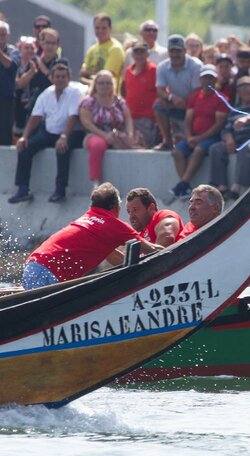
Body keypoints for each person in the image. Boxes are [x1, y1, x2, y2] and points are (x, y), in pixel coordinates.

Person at [22, 183, 160, 288]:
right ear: (115, 207)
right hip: (47, 273)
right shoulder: (114, 225)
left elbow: (114, 257)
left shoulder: (88, 218)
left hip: (33, 267)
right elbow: (152, 250)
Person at [9, 61, 86, 204]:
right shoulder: (46, 93)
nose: (60, 79)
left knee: (62, 148)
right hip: (51, 132)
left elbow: (73, 117)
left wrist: (63, 137)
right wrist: (24, 137)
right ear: (51, 78)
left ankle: (60, 190)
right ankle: (23, 188)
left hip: (71, 133)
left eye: (63, 76)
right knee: (25, 147)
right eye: (57, 76)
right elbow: (35, 117)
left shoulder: (74, 92)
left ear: (68, 78)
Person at [169, 65, 228, 201]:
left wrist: (199, 138)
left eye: (210, 78)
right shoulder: (194, 97)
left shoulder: (221, 98)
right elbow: (188, 119)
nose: (207, 81)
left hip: (211, 137)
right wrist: (189, 137)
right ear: (200, 80)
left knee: (199, 150)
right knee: (177, 152)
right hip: (194, 136)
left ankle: (182, 184)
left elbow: (218, 125)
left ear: (215, 80)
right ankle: (185, 185)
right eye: (205, 78)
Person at [209, 76, 250, 200]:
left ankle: (237, 187)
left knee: (245, 148)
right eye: (242, 87)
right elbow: (227, 129)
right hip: (237, 140)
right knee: (215, 148)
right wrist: (228, 139)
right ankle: (221, 186)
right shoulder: (234, 109)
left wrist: (246, 120)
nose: (245, 90)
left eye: (248, 86)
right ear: (238, 91)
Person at [80, 69, 140, 186]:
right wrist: (105, 136)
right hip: (95, 134)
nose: (105, 86)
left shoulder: (119, 101)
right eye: (101, 83)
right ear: (95, 85)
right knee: (98, 146)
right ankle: (95, 183)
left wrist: (130, 134)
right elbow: (86, 123)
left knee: (136, 144)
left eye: (108, 83)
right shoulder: (89, 102)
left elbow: (128, 119)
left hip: (116, 134)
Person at [153, 34, 202, 150]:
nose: (175, 55)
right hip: (175, 103)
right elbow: (160, 89)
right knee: (158, 105)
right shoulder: (162, 67)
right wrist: (172, 98)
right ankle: (167, 141)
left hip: (194, 105)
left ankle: (190, 138)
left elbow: (198, 91)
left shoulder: (196, 66)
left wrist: (185, 102)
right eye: (172, 51)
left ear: (185, 51)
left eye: (178, 51)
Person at [122, 41, 159, 147]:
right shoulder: (128, 71)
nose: (139, 55)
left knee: (142, 145)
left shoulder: (154, 70)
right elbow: (124, 91)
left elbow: (161, 93)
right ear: (132, 54)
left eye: (142, 52)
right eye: (136, 52)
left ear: (147, 54)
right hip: (130, 119)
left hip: (147, 120)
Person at [80, 13, 125, 88]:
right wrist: (94, 76)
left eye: (104, 28)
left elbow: (106, 78)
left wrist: (89, 74)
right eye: (97, 28)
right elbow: (82, 75)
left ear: (110, 29)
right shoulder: (92, 49)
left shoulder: (115, 48)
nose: (100, 31)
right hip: (93, 96)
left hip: (109, 97)